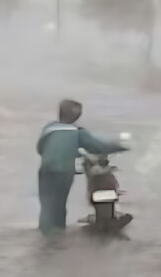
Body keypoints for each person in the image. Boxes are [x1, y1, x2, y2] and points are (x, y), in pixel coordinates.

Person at [36, 99, 128, 237]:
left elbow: (40, 148)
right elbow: (97, 147)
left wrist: (71, 153)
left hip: (45, 171)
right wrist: (122, 146)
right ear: (77, 116)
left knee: (47, 206)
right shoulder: (77, 132)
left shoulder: (48, 129)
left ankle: (45, 234)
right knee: (59, 205)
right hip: (63, 173)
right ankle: (57, 236)